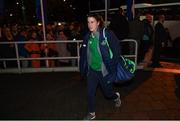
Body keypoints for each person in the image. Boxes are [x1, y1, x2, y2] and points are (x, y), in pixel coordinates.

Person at [80, 14, 121, 120]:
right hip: (92, 70)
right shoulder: (87, 36)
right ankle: (91, 113)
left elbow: (117, 50)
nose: (90, 25)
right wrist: (83, 68)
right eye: (88, 22)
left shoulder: (107, 34)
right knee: (89, 92)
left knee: (108, 94)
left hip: (104, 71)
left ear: (98, 22)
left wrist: (112, 67)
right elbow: (84, 54)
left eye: (92, 22)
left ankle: (116, 97)